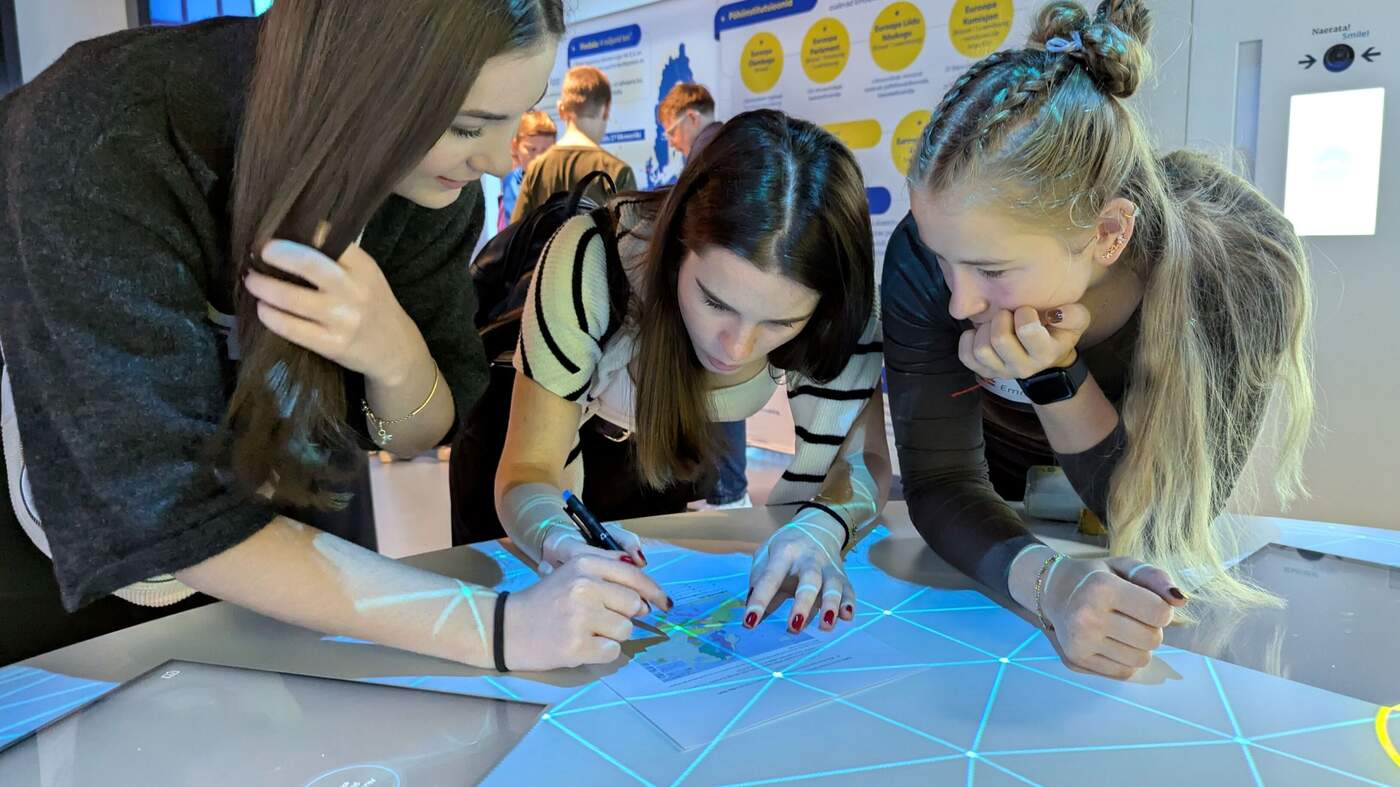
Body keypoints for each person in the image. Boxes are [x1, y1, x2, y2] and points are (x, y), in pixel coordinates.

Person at [0, 0, 668, 672]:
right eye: (467, 125)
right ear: (361, 76)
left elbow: (418, 431)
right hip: (61, 575)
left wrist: (393, 352)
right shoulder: (104, 132)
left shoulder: (428, 185)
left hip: (291, 551)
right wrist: (498, 628)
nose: (497, 161)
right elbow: (164, 508)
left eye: (517, 115)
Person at [882, 0, 1314, 679]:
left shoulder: (1240, 264)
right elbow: (940, 481)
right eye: (943, 260)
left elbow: (1161, 524)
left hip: (1119, 520)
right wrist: (1049, 582)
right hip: (988, 532)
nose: (959, 301)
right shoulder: (932, 244)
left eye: (992, 271)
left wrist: (1054, 374)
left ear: (1109, 233)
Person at [484, 109, 891, 634]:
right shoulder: (592, 257)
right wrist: (553, 535)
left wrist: (823, 525)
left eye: (781, 322)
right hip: (529, 438)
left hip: (662, 454)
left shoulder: (843, 302)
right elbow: (528, 471)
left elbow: (862, 459)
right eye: (715, 301)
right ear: (676, 247)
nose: (737, 347)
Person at [656, 81, 747, 510]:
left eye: (671, 131)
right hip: (732, 293)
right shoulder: (737, 146)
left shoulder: (709, 156)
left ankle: (727, 491)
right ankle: (725, 489)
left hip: (717, 294)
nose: (672, 142)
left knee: (718, 389)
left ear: (691, 117)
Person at [510, 65, 636, 222]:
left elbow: (516, 231)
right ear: (605, 110)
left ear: (561, 109)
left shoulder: (536, 169)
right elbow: (631, 235)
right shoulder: (618, 172)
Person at [498, 110, 557, 231]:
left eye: (545, 151)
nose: (538, 158)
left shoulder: (562, 180)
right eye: (532, 149)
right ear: (515, 146)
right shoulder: (510, 181)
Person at [658, 81, 721, 161]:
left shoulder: (703, 161)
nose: (670, 144)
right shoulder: (730, 143)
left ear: (692, 118)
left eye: (672, 133)